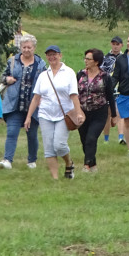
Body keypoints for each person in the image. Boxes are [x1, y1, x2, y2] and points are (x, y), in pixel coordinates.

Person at [24, 45, 82, 180]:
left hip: (64, 114)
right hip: (45, 114)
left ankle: (69, 162)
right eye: (49, 55)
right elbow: (36, 98)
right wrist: (28, 117)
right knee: (49, 148)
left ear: (60, 55)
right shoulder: (43, 75)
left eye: (54, 54)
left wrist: (78, 113)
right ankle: (55, 179)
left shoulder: (69, 73)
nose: (52, 57)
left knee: (59, 145)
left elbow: (74, 95)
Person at [0, 35, 46, 169]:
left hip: (33, 105)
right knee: (12, 132)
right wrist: (6, 80)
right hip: (14, 104)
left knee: (31, 134)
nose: (26, 50)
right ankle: (7, 160)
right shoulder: (12, 61)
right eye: (23, 47)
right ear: (20, 48)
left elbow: (45, 82)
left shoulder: (40, 64)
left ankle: (32, 161)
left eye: (29, 47)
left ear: (34, 48)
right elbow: (3, 76)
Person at [76, 49, 118, 172]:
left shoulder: (105, 77)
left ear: (96, 62)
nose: (86, 61)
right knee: (84, 140)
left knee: (91, 138)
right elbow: (75, 93)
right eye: (85, 58)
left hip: (99, 112)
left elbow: (110, 96)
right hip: (83, 112)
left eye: (88, 59)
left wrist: (114, 116)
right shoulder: (80, 74)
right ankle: (93, 164)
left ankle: (86, 165)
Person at [100, 36, 124, 142]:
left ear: (121, 45)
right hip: (108, 88)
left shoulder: (124, 58)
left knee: (119, 113)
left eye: (117, 44)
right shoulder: (105, 58)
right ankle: (106, 139)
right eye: (113, 44)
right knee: (108, 114)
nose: (115, 46)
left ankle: (121, 137)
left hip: (120, 88)